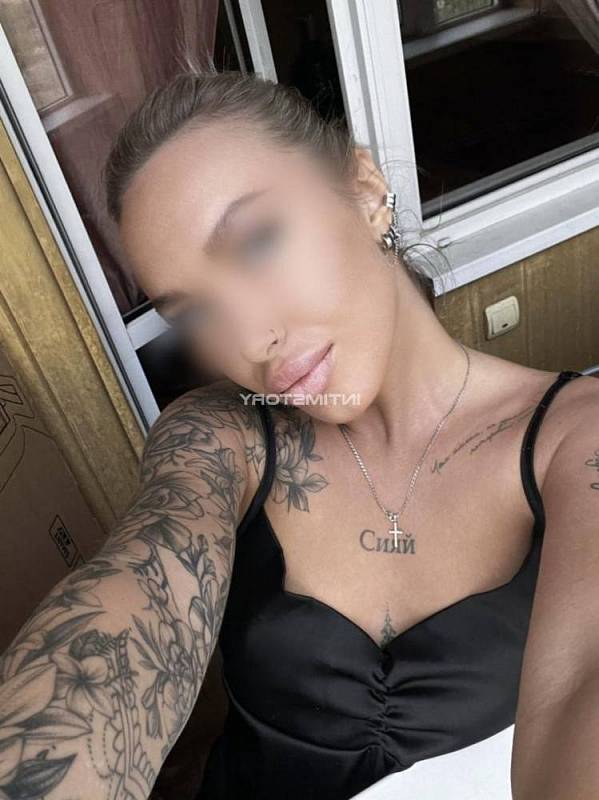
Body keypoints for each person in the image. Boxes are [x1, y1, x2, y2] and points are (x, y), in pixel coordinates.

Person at [1, 67, 598, 800]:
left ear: (365, 191)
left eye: (256, 242)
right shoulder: (222, 436)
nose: (250, 340)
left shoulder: (577, 440)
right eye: (193, 312)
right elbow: (133, 595)